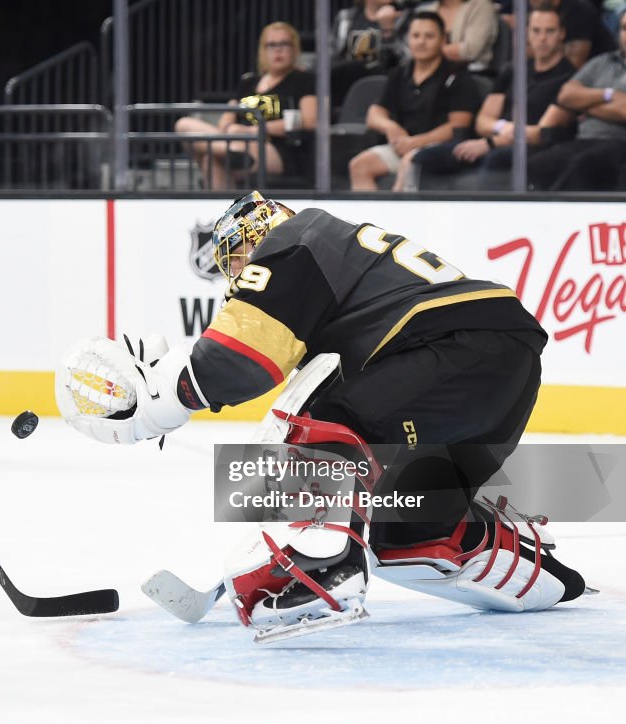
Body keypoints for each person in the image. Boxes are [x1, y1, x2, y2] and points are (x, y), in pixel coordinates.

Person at [56, 191, 586, 641]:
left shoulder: (296, 238)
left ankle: (325, 569)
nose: (238, 272)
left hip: (451, 350)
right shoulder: (341, 269)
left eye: (237, 258)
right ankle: (549, 575)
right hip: (495, 371)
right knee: (407, 528)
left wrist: (159, 401)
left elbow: (239, 363)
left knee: (324, 419)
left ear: (256, 233)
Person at [412, 4, 577, 189]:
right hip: (498, 139)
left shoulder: (570, 77)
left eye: (550, 31)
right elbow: (483, 121)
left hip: (535, 150)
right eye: (536, 31)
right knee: (426, 158)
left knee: (497, 159)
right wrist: (502, 127)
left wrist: (491, 142)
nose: (542, 38)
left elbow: (541, 133)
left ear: (562, 33)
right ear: (527, 32)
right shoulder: (513, 69)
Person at [174, 21, 316, 190]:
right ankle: (231, 154)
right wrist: (231, 130)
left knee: (210, 156)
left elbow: (310, 121)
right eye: (271, 45)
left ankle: (231, 152)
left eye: (284, 44)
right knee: (184, 125)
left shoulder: (303, 80)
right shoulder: (248, 82)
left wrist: (256, 130)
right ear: (262, 50)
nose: (278, 49)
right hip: (238, 140)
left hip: (276, 147)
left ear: (294, 48)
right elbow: (226, 119)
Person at [349, 11, 479, 190]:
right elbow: (374, 114)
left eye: (429, 36)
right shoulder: (400, 73)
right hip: (402, 145)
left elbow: (458, 126)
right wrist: (391, 127)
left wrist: (416, 142)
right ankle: (366, 219)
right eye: (416, 35)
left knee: (411, 163)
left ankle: (395, 217)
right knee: (359, 165)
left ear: (443, 40)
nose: (421, 42)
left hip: (439, 149)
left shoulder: (456, 76)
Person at [528, 10, 626, 190]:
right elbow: (565, 95)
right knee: (537, 163)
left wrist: (585, 105)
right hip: (583, 139)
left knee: (584, 163)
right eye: (624, 29)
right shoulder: (601, 63)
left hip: (619, 142)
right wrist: (609, 95)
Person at [331, 1, 409, 108]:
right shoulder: (345, 18)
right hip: (346, 91)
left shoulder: (405, 18)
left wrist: (388, 31)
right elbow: (330, 55)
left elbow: (408, 61)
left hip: (387, 90)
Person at [414, 0, 499, 72]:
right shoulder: (426, 9)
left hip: (470, 75)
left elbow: (469, 50)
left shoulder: (481, 7)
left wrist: (426, 53)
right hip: (431, 73)